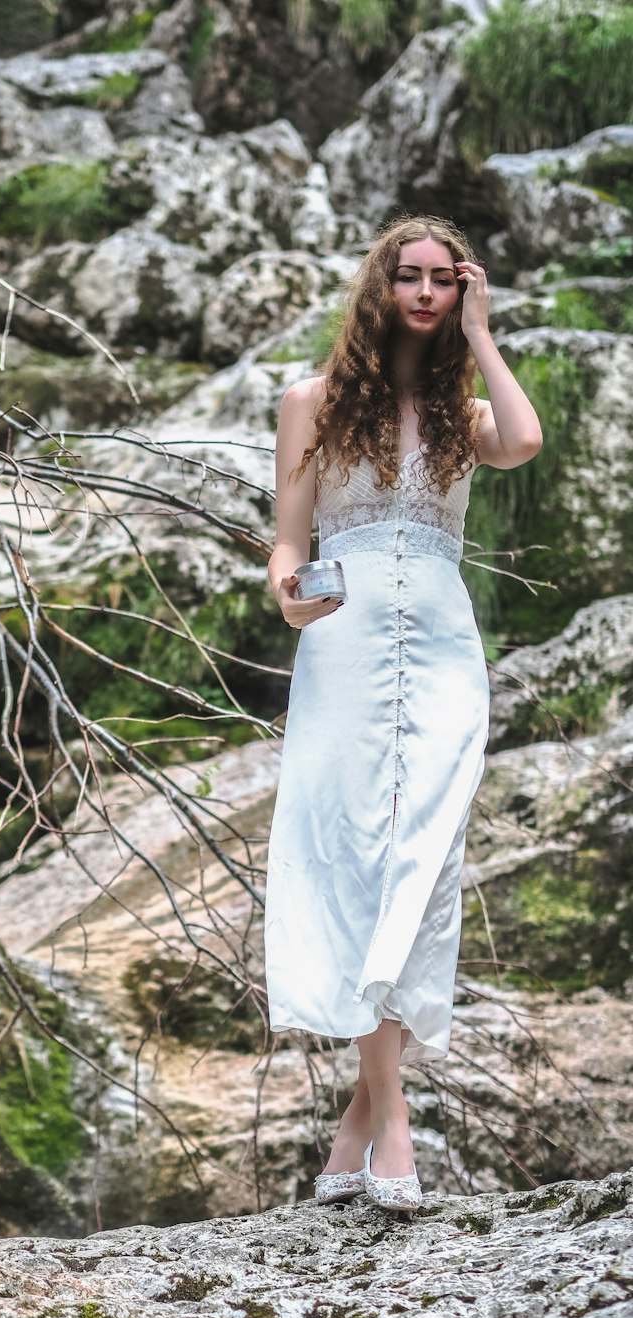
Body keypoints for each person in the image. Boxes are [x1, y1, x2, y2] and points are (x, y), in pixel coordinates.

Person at [263, 215, 542, 1212]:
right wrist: (289, 593)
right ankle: (389, 1128)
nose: (422, 292)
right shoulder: (310, 402)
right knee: (359, 863)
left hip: (439, 651)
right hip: (341, 649)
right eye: (408, 277)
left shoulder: (466, 412)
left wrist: (483, 333)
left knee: (420, 868)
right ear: (378, 287)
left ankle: (357, 1123)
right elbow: (285, 548)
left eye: (440, 280)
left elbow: (525, 439)